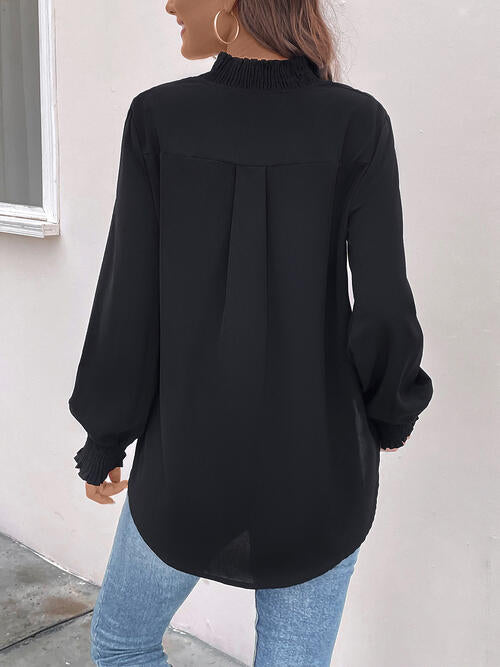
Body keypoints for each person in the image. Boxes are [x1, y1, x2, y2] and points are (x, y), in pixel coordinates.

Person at [68, 1, 434, 665]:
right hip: (319, 470)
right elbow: (382, 303)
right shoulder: (357, 123)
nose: (170, 4)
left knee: (122, 646)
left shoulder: (158, 118)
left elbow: (130, 298)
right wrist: (391, 412)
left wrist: (105, 437)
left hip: (186, 465)